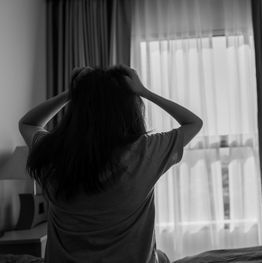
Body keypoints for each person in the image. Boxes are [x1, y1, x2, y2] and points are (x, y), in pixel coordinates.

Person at [19, 65, 203, 263]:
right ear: (129, 109)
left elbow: (28, 124)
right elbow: (193, 123)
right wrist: (144, 91)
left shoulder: (52, 154)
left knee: (163, 257)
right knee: (162, 257)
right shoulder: (145, 151)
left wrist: (73, 93)